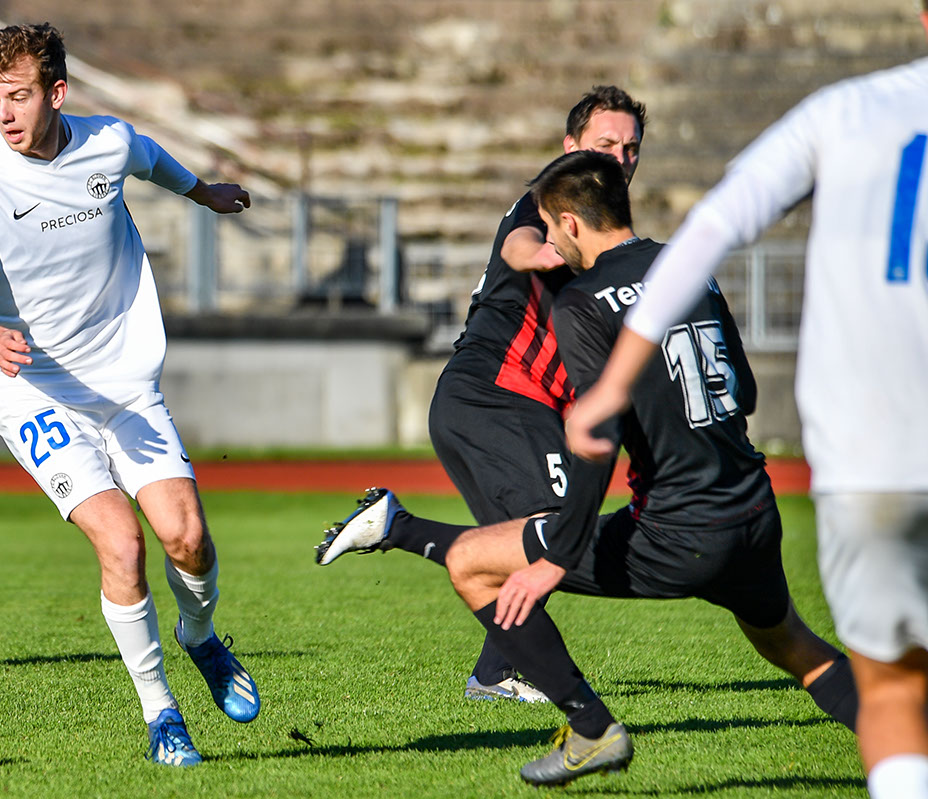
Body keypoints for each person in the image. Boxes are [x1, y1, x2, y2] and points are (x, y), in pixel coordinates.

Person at [319, 150, 857, 787]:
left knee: (472, 565)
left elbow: (596, 438)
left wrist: (556, 558)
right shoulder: (688, 268)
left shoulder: (579, 301)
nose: (550, 242)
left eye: (550, 228)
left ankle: (591, 727)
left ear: (571, 224)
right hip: (754, 509)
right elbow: (744, 390)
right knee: (797, 648)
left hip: (678, 531)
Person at [564, 8, 928, 797]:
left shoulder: (849, 109)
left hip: (870, 450)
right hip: (772, 486)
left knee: (895, 687)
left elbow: (716, 224)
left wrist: (615, 381)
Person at [0, 23, 259, 767]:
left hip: (124, 383)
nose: (4, 114)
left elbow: (149, 158)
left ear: (57, 92)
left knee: (188, 538)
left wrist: (204, 193)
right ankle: (161, 712)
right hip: (32, 391)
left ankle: (201, 638)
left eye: (18, 96)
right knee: (123, 541)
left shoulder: (106, 143)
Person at [318, 86, 647, 706]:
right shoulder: (551, 206)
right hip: (497, 397)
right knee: (558, 531)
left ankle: (493, 667)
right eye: (606, 143)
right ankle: (404, 535)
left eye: (630, 148)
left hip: (499, 403)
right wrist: (548, 255)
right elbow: (517, 243)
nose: (620, 157)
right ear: (571, 146)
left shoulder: (601, 236)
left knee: (524, 544)